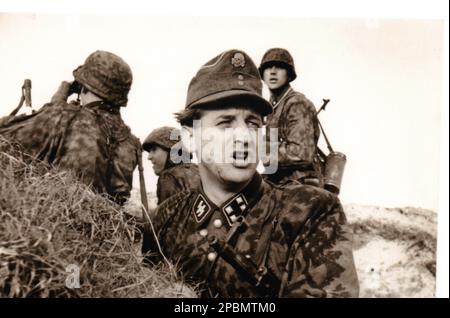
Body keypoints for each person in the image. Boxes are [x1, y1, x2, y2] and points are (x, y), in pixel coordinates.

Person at [141, 49, 359, 298]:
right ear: (190, 138)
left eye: (253, 123)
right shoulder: (165, 219)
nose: (244, 136)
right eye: (225, 123)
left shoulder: (308, 215)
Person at [0, 50, 141, 205]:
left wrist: (56, 105)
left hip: (55, 219)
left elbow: (6, 134)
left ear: (82, 86)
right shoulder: (131, 142)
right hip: (103, 226)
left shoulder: (65, 116)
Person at [259, 48, 322, 186]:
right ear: (262, 75)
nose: (273, 71)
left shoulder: (297, 103)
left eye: (280, 67)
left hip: (300, 183)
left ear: (289, 75)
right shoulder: (271, 107)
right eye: (268, 67)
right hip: (278, 181)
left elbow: (300, 153)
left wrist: (260, 150)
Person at [142, 126, 200, 204]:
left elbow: (167, 215)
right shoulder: (199, 171)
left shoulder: (168, 177)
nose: (149, 157)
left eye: (154, 150)